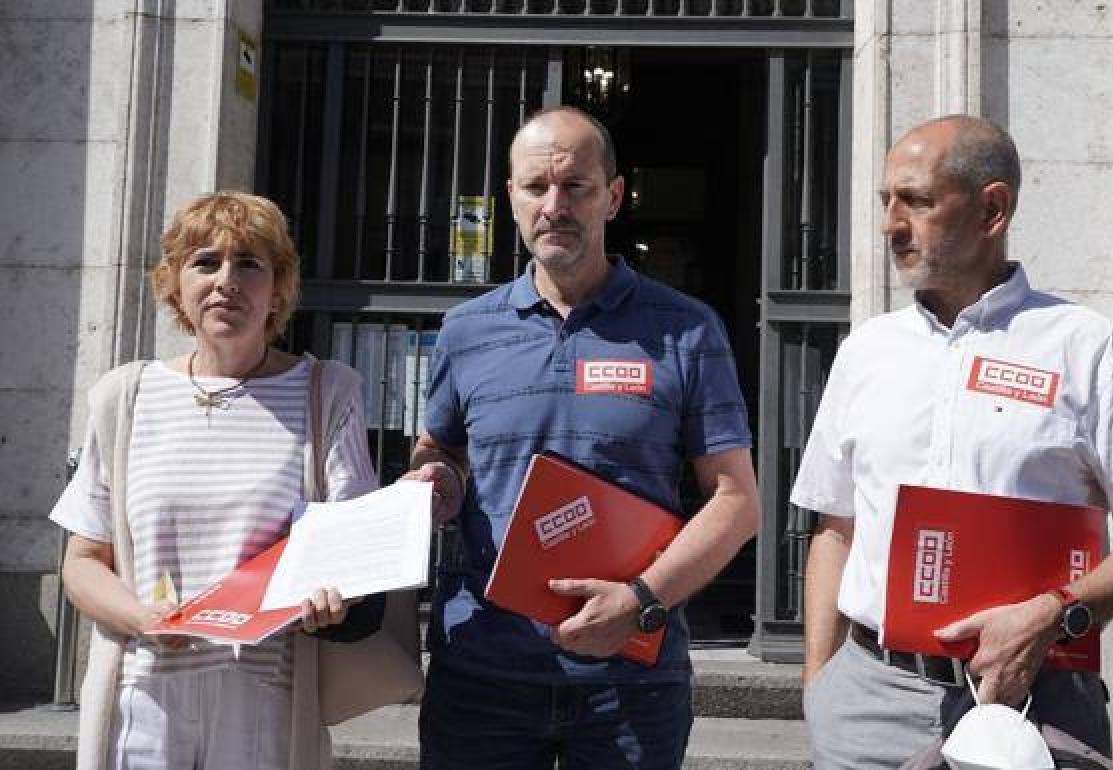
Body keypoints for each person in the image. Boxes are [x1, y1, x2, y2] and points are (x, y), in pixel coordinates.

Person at [791, 115, 1113, 769]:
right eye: (885, 201)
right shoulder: (867, 350)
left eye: (917, 200)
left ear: (992, 209)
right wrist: (820, 683)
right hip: (868, 705)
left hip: (1038, 705)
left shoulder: (1088, 348)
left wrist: (1053, 613)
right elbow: (834, 527)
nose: (891, 223)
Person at [405, 105, 761, 769]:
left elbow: (737, 502)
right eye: (536, 188)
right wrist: (437, 480)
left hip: (630, 681)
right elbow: (442, 450)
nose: (555, 206)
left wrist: (639, 600)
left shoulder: (685, 329)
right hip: (485, 671)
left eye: (576, 187)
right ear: (510, 197)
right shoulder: (465, 331)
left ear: (615, 197)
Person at [49, 191, 381, 770]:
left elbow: (356, 548)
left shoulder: (328, 394)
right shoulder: (124, 398)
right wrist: (142, 618)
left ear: (278, 287)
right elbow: (82, 561)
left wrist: (337, 595)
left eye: (249, 263)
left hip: (265, 694)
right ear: (174, 282)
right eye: (205, 262)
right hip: (143, 691)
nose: (226, 280)